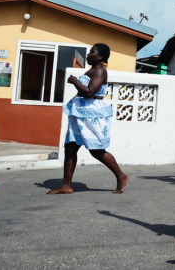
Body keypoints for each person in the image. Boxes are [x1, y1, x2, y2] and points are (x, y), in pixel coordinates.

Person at [47, 43, 129, 194]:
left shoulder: (99, 71)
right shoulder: (92, 69)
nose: (88, 54)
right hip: (80, 112)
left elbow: (90, 92)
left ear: (100, 56)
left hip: (91, 113)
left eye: (92, 52)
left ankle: (121, 176)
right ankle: (66, 186)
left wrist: (74, 81)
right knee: (70, 148)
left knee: (96, 149)